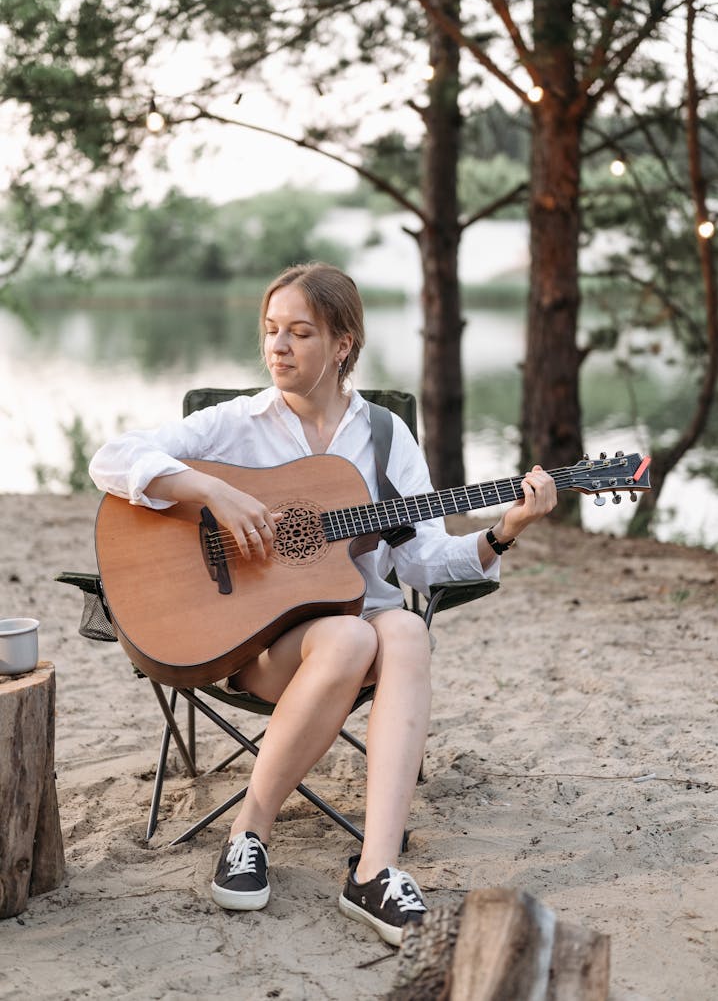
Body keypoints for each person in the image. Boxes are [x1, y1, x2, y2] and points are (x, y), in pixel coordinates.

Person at [89, 261, 557, 946]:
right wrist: (210, 492)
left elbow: (422, 560)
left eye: (300, 333)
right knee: (351, 638)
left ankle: (375, 870)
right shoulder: (237, 424)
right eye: (271, 330)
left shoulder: (386, 438)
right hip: (252, 644)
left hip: (357, 634)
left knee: (398, 631)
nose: (278, 346)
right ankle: (249, 832)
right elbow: (112, 457)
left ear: (342, 345)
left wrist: (503, 532)